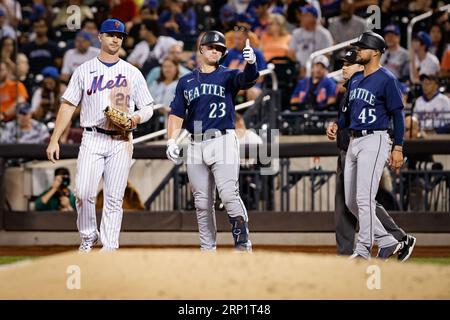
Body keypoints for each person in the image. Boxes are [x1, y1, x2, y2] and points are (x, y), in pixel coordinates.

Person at [46, 18, 155, 253]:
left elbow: (148, 107)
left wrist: (135, 118)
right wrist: (55, 139)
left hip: (121, 140)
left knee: (114, 198)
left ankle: (110, 246)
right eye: (110, 34)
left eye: (120, 36)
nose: (115, 39)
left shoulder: (132, 72)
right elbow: (67, 105)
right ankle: (88, 236)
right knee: (83, 193)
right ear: (100, 37)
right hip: (92, 137)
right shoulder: (84, 70)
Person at [166, 31, 259, 251]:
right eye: (210, 47)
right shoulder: (186, 81)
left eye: (219, 49)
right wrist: (171, 140)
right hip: (195, 143)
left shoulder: (227, 76)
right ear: (201, 49)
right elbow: (177, 113)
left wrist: (251, 63)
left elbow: (247, 79)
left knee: (228, 195)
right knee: (201, 202)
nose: (214, 51)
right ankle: (207, 249)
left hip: (223, 140)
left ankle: (243, 245)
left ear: (223, 53)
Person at [326, 48, 416, 261]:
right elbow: (346, 117)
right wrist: (336, 125)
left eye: (349, 63)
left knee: (364, 199)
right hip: (352, 143)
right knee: (352, 202)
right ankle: (387, 240)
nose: (344, 67)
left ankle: (364, 249)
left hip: (373, 139)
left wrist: (398, 147)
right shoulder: (354, 85)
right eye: (343, 64)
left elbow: (397, 114)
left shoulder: (383, 78)